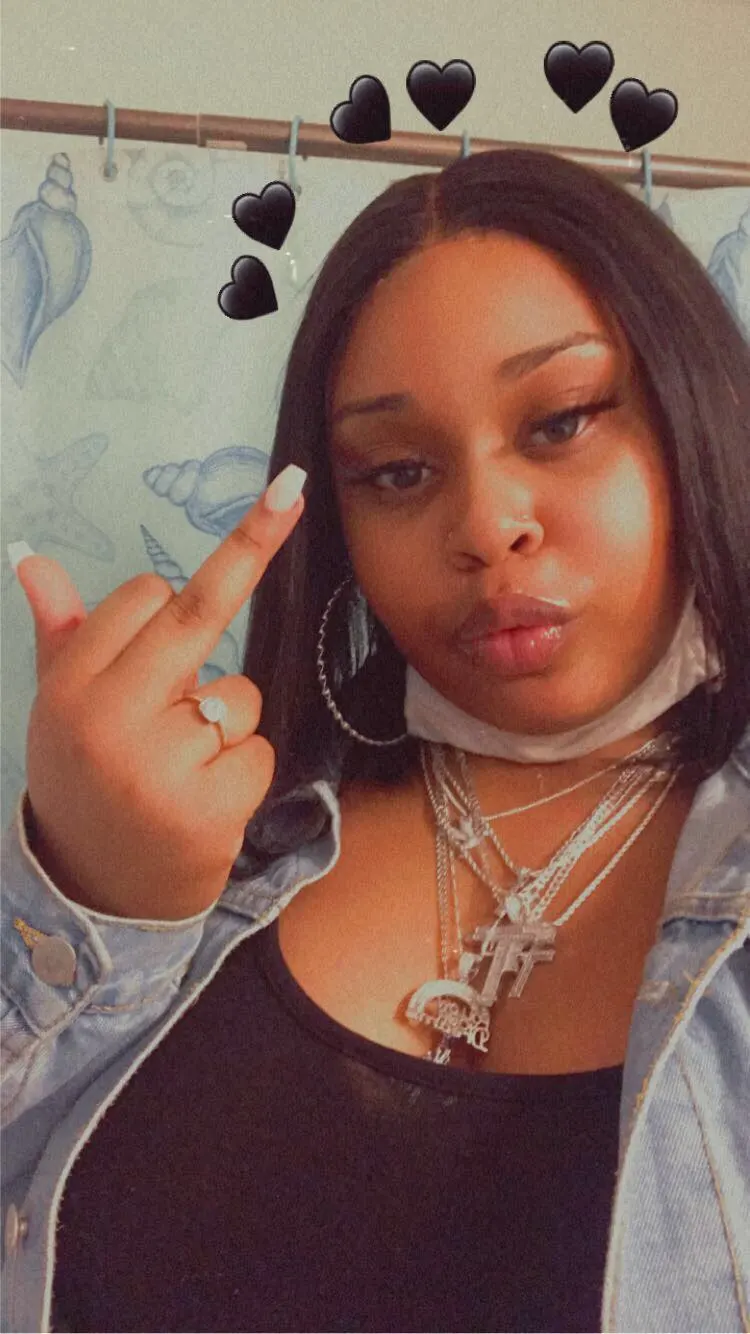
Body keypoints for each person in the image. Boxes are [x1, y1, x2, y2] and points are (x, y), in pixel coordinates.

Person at [2, 148, 748, 1334]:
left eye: (560, 421)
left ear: (698, 415)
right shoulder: (208, 837)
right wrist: (87, 896)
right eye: (398, 471)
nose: (486, 524)